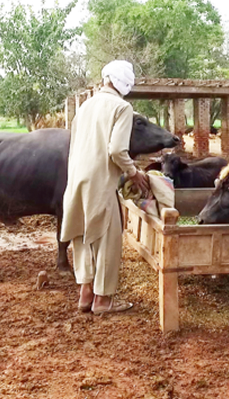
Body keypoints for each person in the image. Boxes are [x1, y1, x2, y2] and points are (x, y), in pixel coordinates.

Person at [61, 60, 149, 314]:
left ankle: (85, 293)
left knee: (81, 234)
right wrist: (133, 172)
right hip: (100, 181)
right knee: (108, 238)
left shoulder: (84, 107)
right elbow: (117, 150)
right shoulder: (121, 107)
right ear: (125, 85)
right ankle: (103, 300)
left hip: (75, 179)